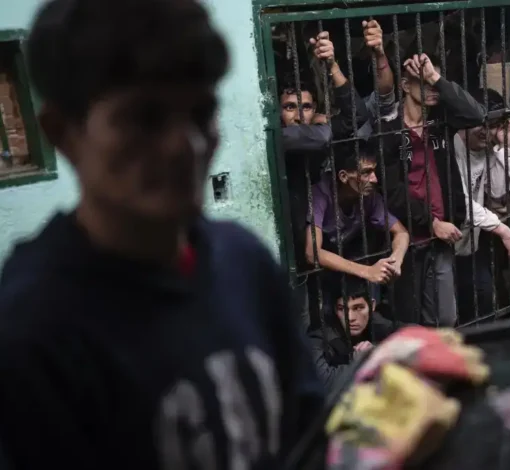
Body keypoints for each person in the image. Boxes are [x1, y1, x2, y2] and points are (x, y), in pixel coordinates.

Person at [0, 0, 322, 469]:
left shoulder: (244, 263)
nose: (184, 145)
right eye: (144, 118)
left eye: (201, 113)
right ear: (63, 132)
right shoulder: (34, 328)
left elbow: (309, 438)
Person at [380, 52, 486, 327]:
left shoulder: (439, 121)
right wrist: (432, 222)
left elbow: (476, 114)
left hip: (441, 237)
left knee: (446, 318)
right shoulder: (388, 131)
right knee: (410, 321)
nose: (431, 88)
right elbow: (392, 192)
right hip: (406, 239)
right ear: (405, 85)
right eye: (422, 82)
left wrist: (435, 77)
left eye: (433, 82)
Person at [279, 28, 368, 331]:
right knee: (301, 323)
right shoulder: (278, 137)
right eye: (290, 107)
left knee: (329, 319)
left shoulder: (313, 130)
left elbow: (357, 116)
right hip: (292, 249)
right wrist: (324, 127)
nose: (298, 115)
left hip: (324, 242)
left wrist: (332, 65)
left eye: (306, 107)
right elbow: (311, 138)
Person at [453, 88, 510, 323]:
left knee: (481, 303)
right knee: (451, 313)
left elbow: (497, 190)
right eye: (480, 124)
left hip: (471, 242)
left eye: (492, 125)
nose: (486, 131)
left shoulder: (487, 149)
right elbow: (460, 203)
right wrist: (503, 230)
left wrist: (505, 147)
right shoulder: (451, 148)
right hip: (444, 245)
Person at [305, 141, 409, 298]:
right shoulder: (320, 194)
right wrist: (367, 271)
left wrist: (395, 261)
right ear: (343, 176)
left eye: (374, 171)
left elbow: (401, 233)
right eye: (366, 173)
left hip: (352, 260)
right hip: (320, 274)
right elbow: (312, 253)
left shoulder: (369, 197)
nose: (374, 179)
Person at [308, 276, 399, 390]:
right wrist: (360, 362)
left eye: (358, 308)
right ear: (335, 309)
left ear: (372, 306)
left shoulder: (376, 322)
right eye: (342, 309)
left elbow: (414, 337)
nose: (350, 318)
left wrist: (377, 352)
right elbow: (323, 381)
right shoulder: (320, 336)